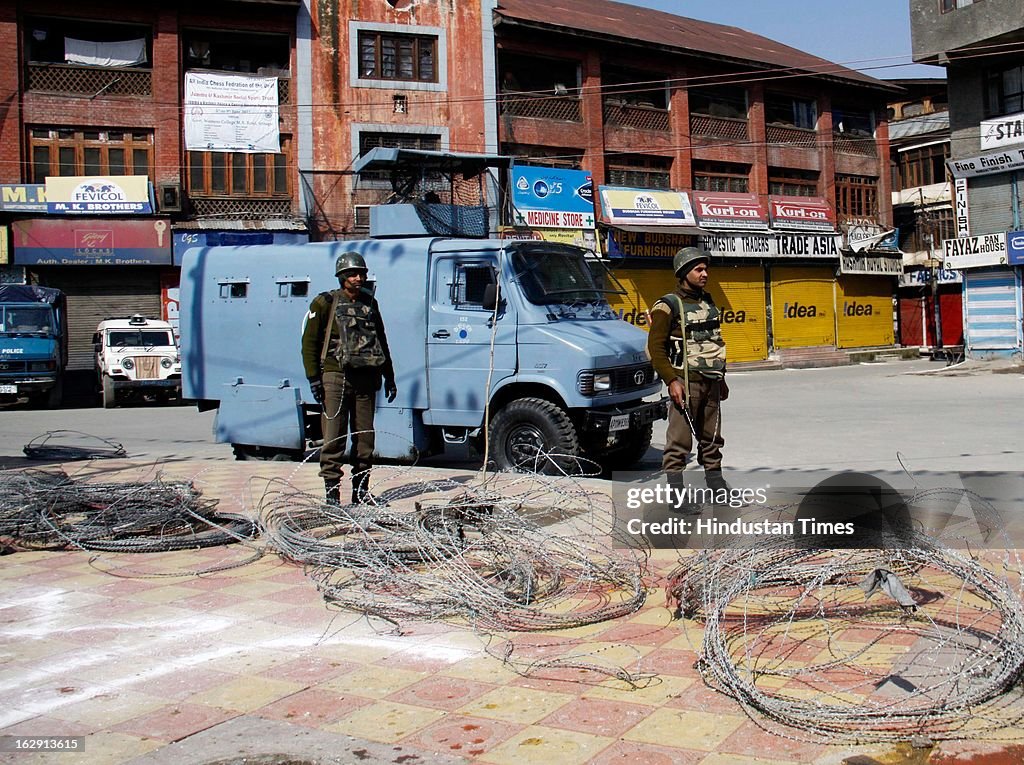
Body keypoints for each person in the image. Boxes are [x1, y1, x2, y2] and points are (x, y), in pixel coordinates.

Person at [301, 252, 397, 505]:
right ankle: (332, 495)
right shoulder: (325, 303)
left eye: (361, 273)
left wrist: (390, 375)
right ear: (342, 276)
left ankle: (361, 492)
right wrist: (314, 378)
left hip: (367, 376)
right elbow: (309, 343)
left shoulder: (369, 303)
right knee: (334, 438)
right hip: (336, 377)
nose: (358, 278)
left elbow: (381, 340)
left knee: (365, 438)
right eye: (353, 274)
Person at [647, 246, 730, 492]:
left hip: (711, 381)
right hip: (686, 383)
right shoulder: (667, 306)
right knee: (679, 443)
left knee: (712, 438)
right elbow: (656, 348)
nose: (705, 274)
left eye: (706, 269)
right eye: (698, 269)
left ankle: (716, 487)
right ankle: (676, 495)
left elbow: (715, 342)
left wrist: (721, 378)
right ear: (684, 272)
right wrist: (672, 381)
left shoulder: (708, 301)